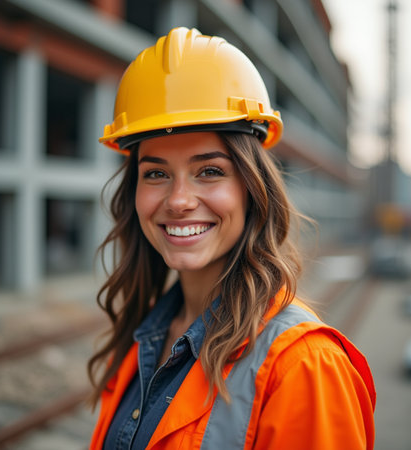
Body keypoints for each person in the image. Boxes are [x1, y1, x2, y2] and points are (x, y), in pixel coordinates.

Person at [88, 27, 376, 449]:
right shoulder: (146, 336)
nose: (179, 200)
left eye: (209, 171)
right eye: (156, 173)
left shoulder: (303, 366)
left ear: (252, 187)